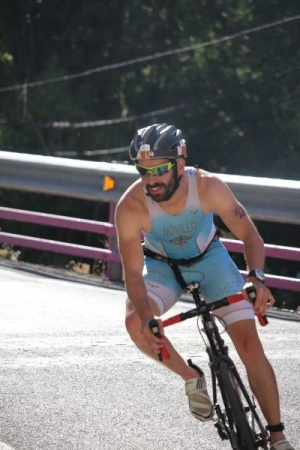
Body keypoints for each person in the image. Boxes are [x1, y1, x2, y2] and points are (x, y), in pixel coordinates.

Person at [115, 123, 294, 450]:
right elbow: (132, 273)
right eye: (143, 171)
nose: (151, 180)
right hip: (162, 267)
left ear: (180, 165)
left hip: (211, 260)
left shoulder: (209, 186)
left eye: (160, 170)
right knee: (134, 323)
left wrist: (255, 277)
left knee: (251, 347)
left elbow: (251, 236)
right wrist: (146, 317)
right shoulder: (130, 207)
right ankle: (190, 377)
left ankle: (278, 436)